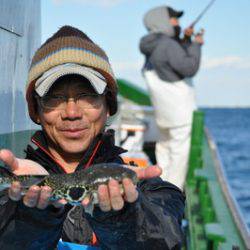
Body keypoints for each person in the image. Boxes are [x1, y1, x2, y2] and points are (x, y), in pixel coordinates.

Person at [0, 26, 185, 250]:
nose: (71, 112)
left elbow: (167, 240)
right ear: (36, 111)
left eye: (86, 95)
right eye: (55, 98)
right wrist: (29, 217)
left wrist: (123, 218)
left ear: (108, 106)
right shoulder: (11, 192)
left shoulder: (150, 191)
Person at [139, 6, 204, 190]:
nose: (177, 22)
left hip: (164, 113)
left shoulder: (151, 45)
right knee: (178, 154)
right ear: (162, 21)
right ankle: (171, 194)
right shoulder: (167, 45)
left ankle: (159, 187)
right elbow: (189, 67)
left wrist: (185, 39)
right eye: (173, 19)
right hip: (180, 113)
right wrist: (196, 44)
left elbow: (168, 63)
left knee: (163, 148)